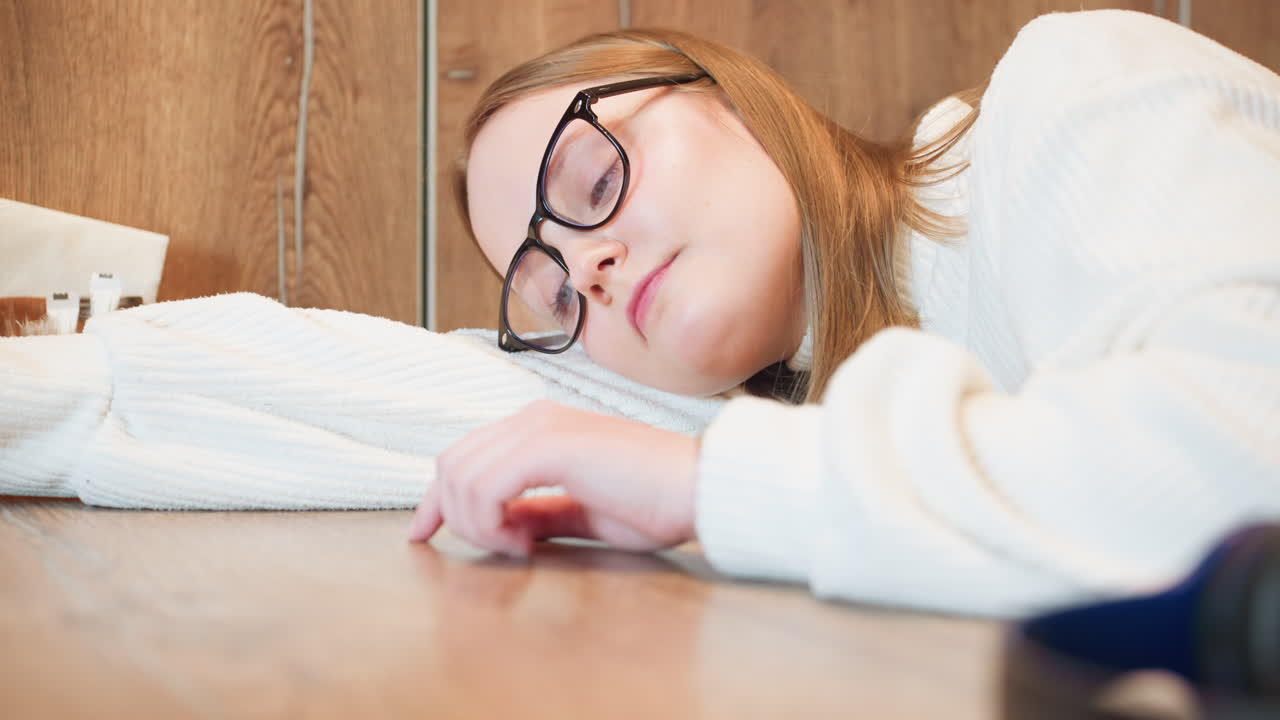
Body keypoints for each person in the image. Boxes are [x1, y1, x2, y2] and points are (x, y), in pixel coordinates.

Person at [406, 8, 1280, 616]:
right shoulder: (795, 421)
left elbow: (1250, 465)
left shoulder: (1075, 90)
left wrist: (706, 487)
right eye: (554, 294)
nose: (588, 268)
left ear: (737, 98)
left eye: (596, 180)